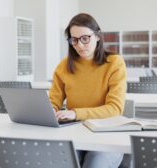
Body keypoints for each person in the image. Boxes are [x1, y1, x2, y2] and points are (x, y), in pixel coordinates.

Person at [49, 13, 126, 168]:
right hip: (74, 133)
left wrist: (76, 113)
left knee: (94, 165)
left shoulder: (114, 63)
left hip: (107, 135)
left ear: (97, 36)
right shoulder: (64, 66)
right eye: (74, 40)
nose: (80, 45)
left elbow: (115, 108)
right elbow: (53, 101)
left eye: (85, 38)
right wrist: (50, 110)